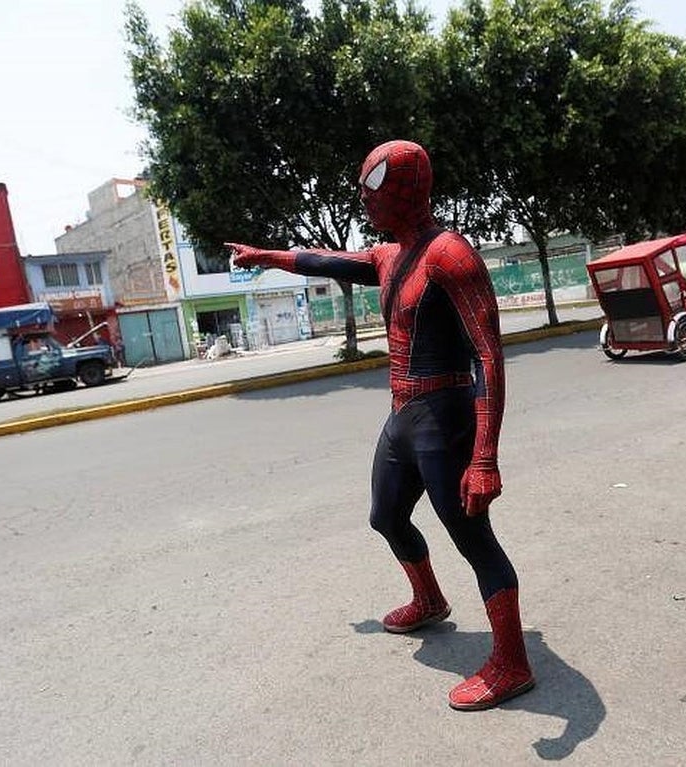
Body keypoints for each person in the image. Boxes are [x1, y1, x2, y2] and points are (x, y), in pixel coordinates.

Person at [226, 139, 533, 711]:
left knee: (473, 539)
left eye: (373, 190)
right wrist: (265, 255)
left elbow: (488, 354)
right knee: (385, 516)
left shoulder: (451, 256)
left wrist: (485, 456)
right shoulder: (392, 256)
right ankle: (429, 600)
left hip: (446, 421)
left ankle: (513, 662)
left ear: (407, 191)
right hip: (403, 418)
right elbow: (325, 260)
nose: (364, 204)